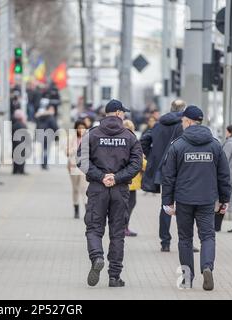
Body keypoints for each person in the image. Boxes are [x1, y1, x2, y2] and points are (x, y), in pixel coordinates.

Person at [162, 105, 231, 291]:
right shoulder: (215, 145)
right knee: (207, 236)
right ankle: (207, 267)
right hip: (207, 199)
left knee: (185, 238)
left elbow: (168, 176)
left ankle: (186, 279)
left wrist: (167, 202)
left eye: (183, 121)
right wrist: (225, 200)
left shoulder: (178, 145)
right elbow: (224, 175)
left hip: (184, 200)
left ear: (188, 122)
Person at [78, 99, 143, 288]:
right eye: (123, 113)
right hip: (120, 190)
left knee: (94, 228)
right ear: (118, 113)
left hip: (98, 189)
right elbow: (136, 164)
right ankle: (114, 277)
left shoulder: (92, 134)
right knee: (117, 234)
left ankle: (97, 257)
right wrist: (117, 177)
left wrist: (101, 176)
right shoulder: (129, 136)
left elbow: (82, 160)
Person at [140, 99, 197, 253]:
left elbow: (144, 140)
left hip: (163, 171)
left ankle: (165, 242)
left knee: (166, 205)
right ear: (183, 110)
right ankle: (187, 242)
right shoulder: (183, 125)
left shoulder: (159, 124)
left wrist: (152, 156)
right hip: (182, 170)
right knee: (185, 206)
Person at [123, 119, 147, 237]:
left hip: (123, 178)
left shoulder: (121, 140)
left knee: (126, 204)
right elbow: (139, 161)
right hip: (131, 179)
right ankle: (124, 227)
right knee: (129, 204)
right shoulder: (133, 142)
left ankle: (123, 227)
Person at [66, 120, 88, 219]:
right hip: (73, 166)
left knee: (84, 188)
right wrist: (76, 149)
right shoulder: (71, 139)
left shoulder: (88, 138)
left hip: (84, 167)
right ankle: (76, 209)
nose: (81, 130)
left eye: (83, 127)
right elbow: (67, 152)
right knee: (75, 189)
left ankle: (87, 209)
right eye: (79, 127)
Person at [35, 105, 59, 170]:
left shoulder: (40, 116)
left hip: (41, 135)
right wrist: (57, 136)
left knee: (43, 150)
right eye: (52, 109)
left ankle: (43, 163)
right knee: (46, 150)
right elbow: (55, 127)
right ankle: (44, 164)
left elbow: (37, 125)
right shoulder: (51, 117)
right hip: (48, 136)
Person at [12, 109, 30, 175]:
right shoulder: (23, 125)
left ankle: (15, 170)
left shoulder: (14, 125)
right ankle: (21, 170)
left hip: (15, 143)